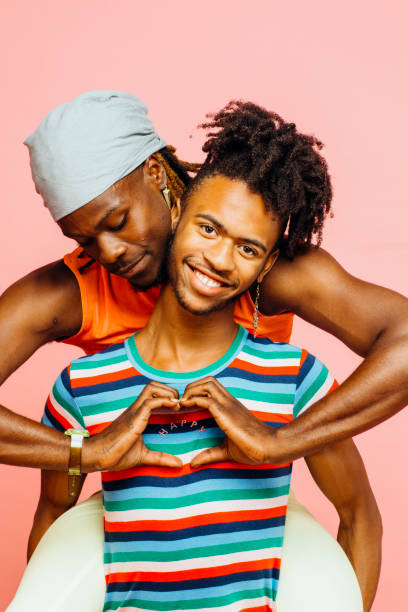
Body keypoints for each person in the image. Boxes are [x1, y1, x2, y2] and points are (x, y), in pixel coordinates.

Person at [25, 120, 382, 612]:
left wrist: (274, 442)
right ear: (178, 217)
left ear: (267, 263)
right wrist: (89, 453)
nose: (218, 258)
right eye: (208, 229)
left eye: (248, 248)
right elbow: (53, 523)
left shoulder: (293, 378)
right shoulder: (81, 387)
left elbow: (359, 514)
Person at [0, 91, 407, 475]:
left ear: (156, 172)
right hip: (138, 508)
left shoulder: (256, 266)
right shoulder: (69, 291)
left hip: (254, 501)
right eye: (84, 239)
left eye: (118, 222)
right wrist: (84, 453)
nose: (109, 252)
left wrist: (283, 441)